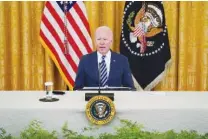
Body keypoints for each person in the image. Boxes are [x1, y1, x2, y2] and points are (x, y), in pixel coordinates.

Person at [74, 26, 135, 90]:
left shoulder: (122, 60)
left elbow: (130, 88)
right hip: (91, 99)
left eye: (105, 39)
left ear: (111, 41)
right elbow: (78, 88)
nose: (102, 42)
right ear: (95, 41)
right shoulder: (85, 60)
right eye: (98, 39)